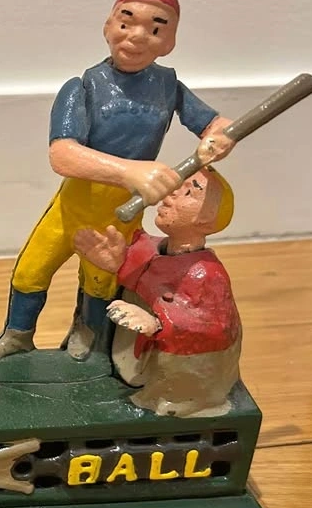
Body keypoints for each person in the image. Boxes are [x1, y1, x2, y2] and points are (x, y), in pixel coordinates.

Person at [0, 0, 235, 362]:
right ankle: (17, 336)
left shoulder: (169, 86)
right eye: (126, 22)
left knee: (101, 281)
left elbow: (213, 123)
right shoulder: (83, 87)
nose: (137, 36)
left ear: (170, 42)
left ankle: (88, 337)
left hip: (120, 214)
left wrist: (221, 136)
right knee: (30, 271)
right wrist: (131, 172)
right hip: (72, 207)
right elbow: (63, 154)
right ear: (108, 26)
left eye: (155, 29)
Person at [73, 168, 241, 417]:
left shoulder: (206, 274)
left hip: (183, 374)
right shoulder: (150, 247)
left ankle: (182, 402)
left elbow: (211, 327)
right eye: (176, 187)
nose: (170, 195)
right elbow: (146, 278)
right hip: (135, 357)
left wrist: (158, 324)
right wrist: (118, 264)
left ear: (207, 219)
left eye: (188, 193)